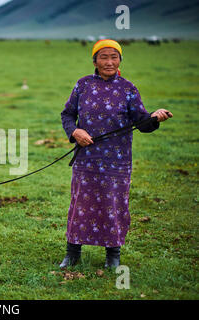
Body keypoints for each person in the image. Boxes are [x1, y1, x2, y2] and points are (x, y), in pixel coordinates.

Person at [60, 39, 172, 268]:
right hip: (87, 158)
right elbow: (67, 115)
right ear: (94, 61)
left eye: (114, 56)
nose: (109, 62)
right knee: (81, 202)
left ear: (120, 60)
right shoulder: (82, 85)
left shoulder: (128, 88)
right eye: (104, 57)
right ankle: (72, 254)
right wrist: (75, 131)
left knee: (114, 205)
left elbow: (142, 123)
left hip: (117, 161)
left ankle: (113, 256)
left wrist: (155, 117)